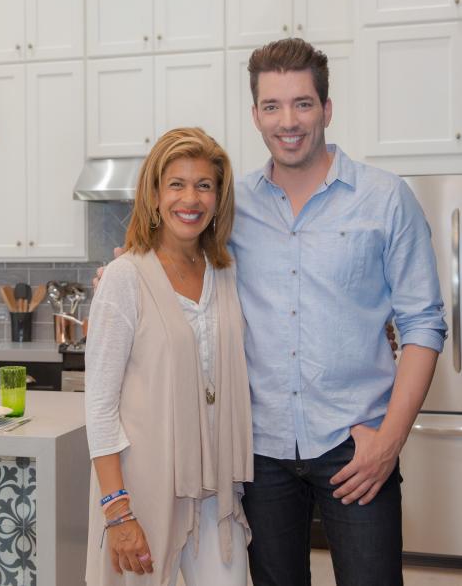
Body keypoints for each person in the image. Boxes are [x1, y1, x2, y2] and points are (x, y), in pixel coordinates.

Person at [93, 38, 446, 586]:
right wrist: (124, 274)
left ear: (327, 110)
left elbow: (423, 323)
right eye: (272, 106)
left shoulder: (385, 199)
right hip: (258, 455)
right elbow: (176, 255)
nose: (289, 121)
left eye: (303, 103)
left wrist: (389, 441)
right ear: (255, 114)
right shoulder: (233, 208)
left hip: (355, 448)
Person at [85, 127, 254, 585]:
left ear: (218, 198)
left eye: (204, 185)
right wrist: (117, 512)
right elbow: (99, 407)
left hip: (217, 490)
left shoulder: (226, 272)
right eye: (176, 184)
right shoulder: (124, 277)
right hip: (141, 489)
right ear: (155, 194)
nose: (191, 198)